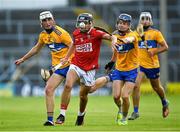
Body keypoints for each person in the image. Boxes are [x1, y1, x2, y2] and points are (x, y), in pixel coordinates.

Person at [55, 13, 117, 126]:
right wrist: (66, 58)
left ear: (90, 24)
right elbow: (74, 44)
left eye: (84, 23)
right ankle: (62, 115)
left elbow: (112, 36)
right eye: (79, 23)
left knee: (85, 94)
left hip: (89, 69)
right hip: (76, 65)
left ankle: (81, 115)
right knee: (68, 85)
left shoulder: (96, 33)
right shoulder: (76, 32)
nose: (81, 26)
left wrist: (113, 40)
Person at [14, 11, 73, 126]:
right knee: (48, 90)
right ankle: (50, 120)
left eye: (49, 19)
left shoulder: (61, 33)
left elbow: (73, 46)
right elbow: (36, 49)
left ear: (53, 20)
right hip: (59, 68)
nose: (47, 22)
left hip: (72, 64)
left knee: (84, 89)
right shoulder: (43, 35)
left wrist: (66, 58)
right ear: (41, 23)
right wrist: (23, 59)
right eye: (44, 21)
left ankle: (72, 113)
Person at [128, 12, 169, 120]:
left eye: (147, 18)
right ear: (140, 20)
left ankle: (164, 102)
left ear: (150, 21)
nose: (145, 20)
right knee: (136, 85)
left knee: (156, 87)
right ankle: (136, 111)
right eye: (143, 18)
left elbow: (165, 47)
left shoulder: (156, 33)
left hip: (152, 65)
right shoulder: (136, 33)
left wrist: (154, 51)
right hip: (139, 65)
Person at [109, 13, 139, 125]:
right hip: (119, 70)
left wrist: (127, 40)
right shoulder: (114, 35)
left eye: (124, 24)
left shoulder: (133, 34)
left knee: (125, 96)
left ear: (129, 25)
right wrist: (112, 62)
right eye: (120, 23)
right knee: (116, 96)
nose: (122, 25)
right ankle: (120, 109)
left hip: (131, 70)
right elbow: (115, 46)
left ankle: (124, 117)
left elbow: (131, 39)